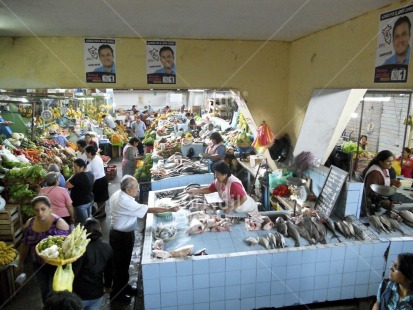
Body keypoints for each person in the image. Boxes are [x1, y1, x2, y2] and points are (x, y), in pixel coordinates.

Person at [109, 175, 180, 303]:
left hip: (123, 233)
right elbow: (148, 209)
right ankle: (116, 296)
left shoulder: (120, 194)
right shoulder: (125, 201)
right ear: (127, 189)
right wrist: (169, 209)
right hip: (120, 237)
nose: (138, 190)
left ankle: (125, 287)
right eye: (136, 188)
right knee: (120, 266)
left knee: (124, 264)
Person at [18, 196, 70, 303]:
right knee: (44, 290)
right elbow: (25, 244)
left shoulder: (59, 224)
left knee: (58, 290)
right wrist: (20, 262)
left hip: (57, 265)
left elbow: (68, 247)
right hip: (37, 263)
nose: (40, 213)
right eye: (36, 210)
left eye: (43, 209)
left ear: (50, 208)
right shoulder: (30, 223)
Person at [73, 218, 113, 310]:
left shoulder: (79, 248)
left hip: (79, 294)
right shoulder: (107, 247)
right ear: (99, 230)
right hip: (97, 293)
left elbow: (74, 272)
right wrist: (107, 285)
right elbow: (109, 270)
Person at [187, 162, 258, 213]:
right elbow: (209, 189)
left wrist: (231, 207)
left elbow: (244, 198)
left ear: (225, 174)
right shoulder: (218, 181)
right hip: (235, 209)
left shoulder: (234, 184)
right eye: (215, 174)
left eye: (217, 174)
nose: (215, 176)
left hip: (247, 209)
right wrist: (195, 191)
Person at [363, 150, 401, 214]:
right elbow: (370, 193)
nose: (391, 163)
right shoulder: (375, 173)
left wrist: (392, 182)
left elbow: (381, 181)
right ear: (380, 161)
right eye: (388, 161)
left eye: (392, 161)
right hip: (370, 205)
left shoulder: (384, 168)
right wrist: (383, 201)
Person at [66, 158, 95, 225]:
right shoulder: (90, 173)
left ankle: (87, 234)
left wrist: (73, 175)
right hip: (90, 200)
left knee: (83, 223)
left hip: (81, 203)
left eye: (75, 167)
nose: (74, 169)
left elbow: (67, 185)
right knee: (89, 219)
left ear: (82, 167)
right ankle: (90, 232)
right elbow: (94, 180)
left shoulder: (78, 176)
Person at [85, 145, 109, 218]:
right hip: (101, 180)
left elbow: (95, 175)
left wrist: (90, 184)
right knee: (100, 199)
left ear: (89, 153)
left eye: (86, 153)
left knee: (100, 199)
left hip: (99, 181)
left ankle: (102, 214)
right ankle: (100, 212)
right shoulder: (96, 157)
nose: (85, 154)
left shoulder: (95, 161)